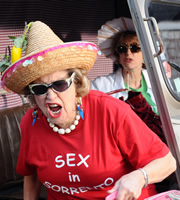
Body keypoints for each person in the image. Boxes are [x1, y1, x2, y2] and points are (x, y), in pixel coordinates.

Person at [1, 21, 176, 200]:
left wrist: (139, 177)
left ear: (76, 83)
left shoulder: (111, 111)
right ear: (32, 95)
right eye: (40, 89)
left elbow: (168, 162)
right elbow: (31, 174)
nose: (51, 97)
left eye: (59, 84)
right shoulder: (31, 122)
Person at [91, 17, 165, 142]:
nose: (128, 53)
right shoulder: (100, 86)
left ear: (145, 54)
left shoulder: (159, 82)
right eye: (122, 48)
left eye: (135, 47)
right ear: (118, 55)